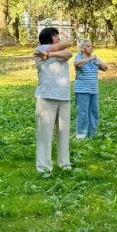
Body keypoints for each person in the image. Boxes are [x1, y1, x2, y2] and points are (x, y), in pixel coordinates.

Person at [34, 27, 73, 172]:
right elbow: (64, 46)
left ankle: (65, 163)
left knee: (64, 132)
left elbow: (68, 53)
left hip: (63, 96)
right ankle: (44, 167)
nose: (58, 37)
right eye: (55, 35)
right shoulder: (40, 49)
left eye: (57, 35)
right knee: (45, 133)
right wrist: (51, 52)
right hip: (46, 97)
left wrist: (49, 55)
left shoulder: (49, 52)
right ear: (47, 38)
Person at [74, 39, 108, 139]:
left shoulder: (94, 59)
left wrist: (99, 63)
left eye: (91, 46)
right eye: (88, 46)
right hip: (82, 90)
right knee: (83, 113)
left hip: (94, 89)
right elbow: (77, 65)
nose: (91, 48)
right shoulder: (79, 57)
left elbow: (105, 68)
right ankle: (81, 136)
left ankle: (92, 134)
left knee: (94, 112)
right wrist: (89, 59)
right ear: (82, 48)